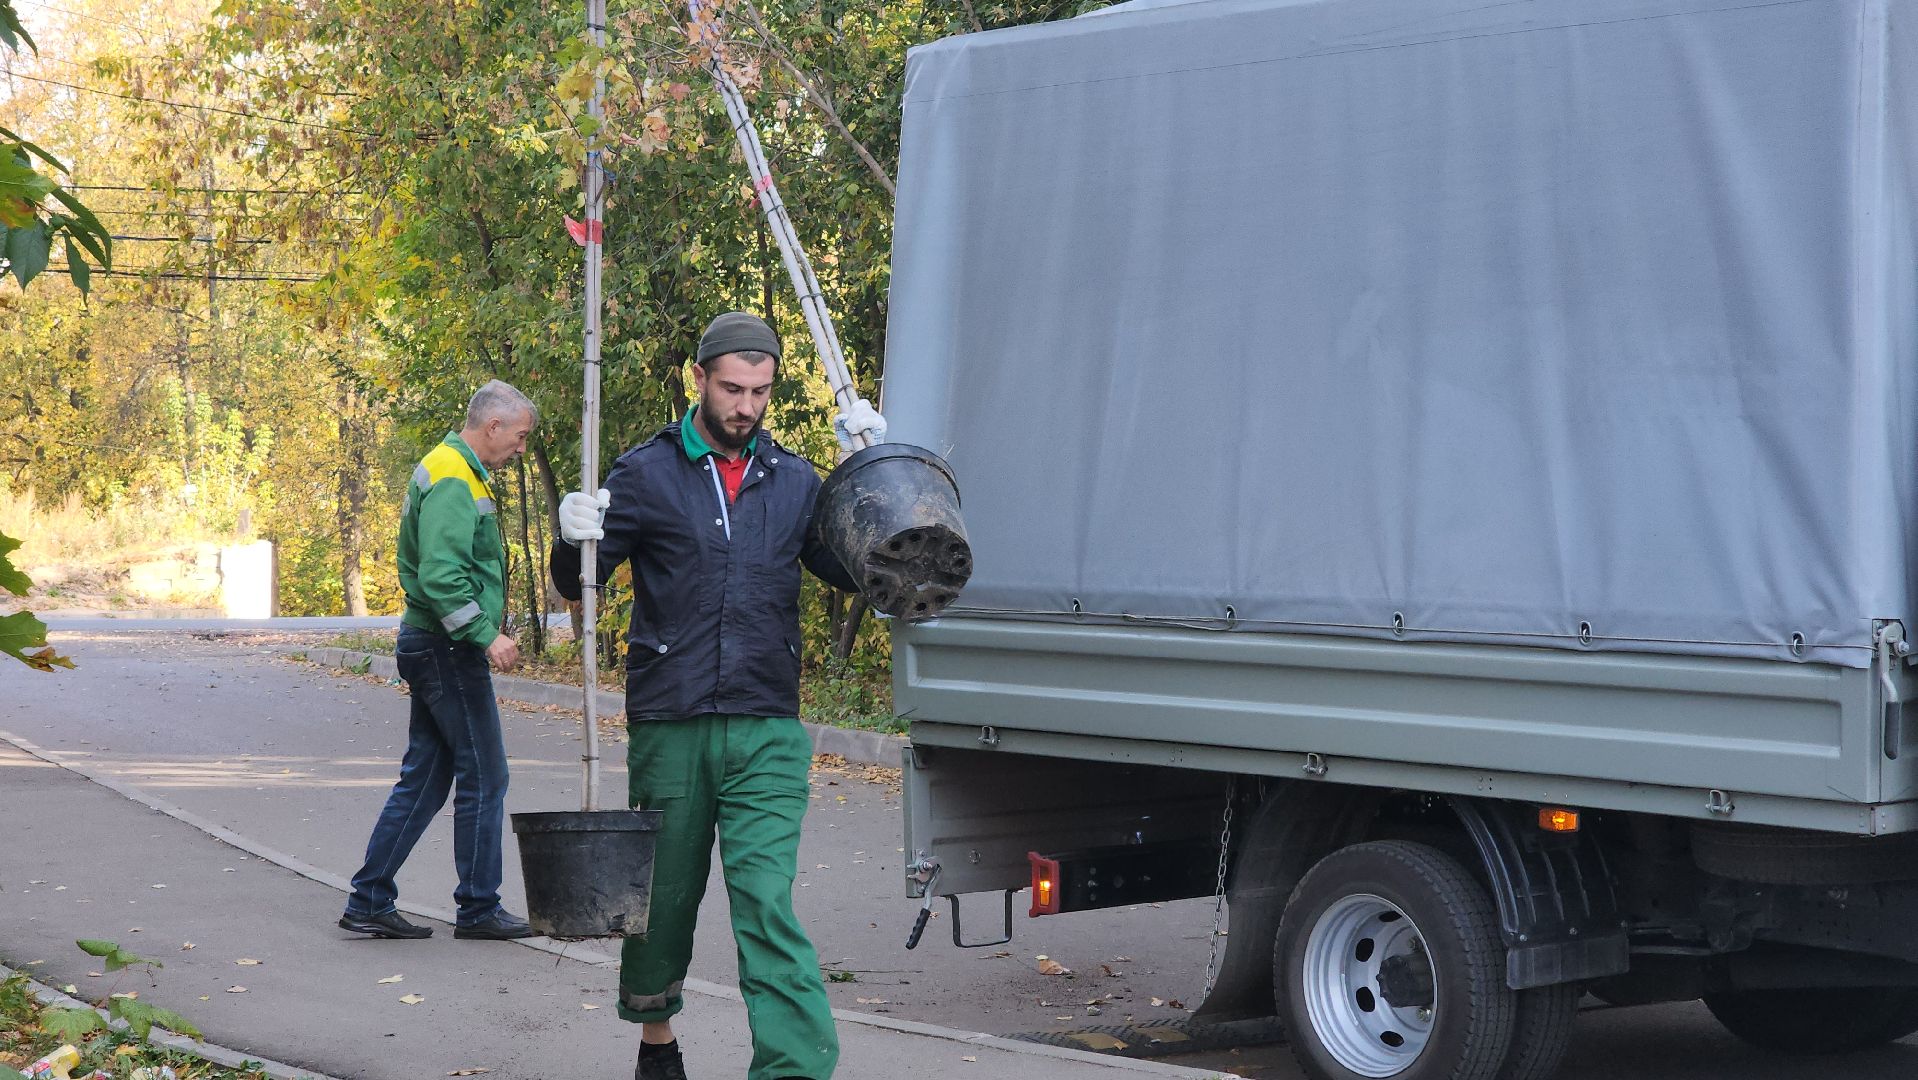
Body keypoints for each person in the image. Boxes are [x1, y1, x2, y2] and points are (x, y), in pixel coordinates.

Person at [550, 312, 886, 1080]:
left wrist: (876, 478)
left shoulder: (797, 481)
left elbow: (866, 573)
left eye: (760, 391)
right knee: (662, 904)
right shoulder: (645, 474)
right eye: (732, 388)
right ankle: (656, 1039)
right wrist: (572, 537)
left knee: (767, 903)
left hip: (768, 727)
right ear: (698, 379)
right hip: (672, 724)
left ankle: (793, 1070)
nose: (745, 406)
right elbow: (579, 585)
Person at [339, 379, 540, 942]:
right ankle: (478, 908)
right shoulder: (454, 474)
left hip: (429, 643)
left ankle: (369, 898)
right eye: (520, 437)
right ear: (493, 425)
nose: (521, 449)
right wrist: (484, 634)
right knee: (486, 774)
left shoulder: (452, 466)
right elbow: (442, 575)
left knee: (426, 780)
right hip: (447, 648)